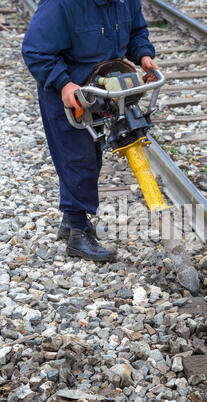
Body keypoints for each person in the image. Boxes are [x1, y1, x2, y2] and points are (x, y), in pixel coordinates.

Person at [22, 0, 159, 262]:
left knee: (90, 154)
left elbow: (136, 32)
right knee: (77, 156)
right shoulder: (61, 4)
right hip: (68, 91)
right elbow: (35, 50)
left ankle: (71, 220)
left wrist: (143, 55)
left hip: (100, 88)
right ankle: (77, 234)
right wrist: (63, 84)